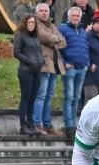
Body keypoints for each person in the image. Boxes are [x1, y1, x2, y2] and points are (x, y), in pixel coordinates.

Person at [33, 2, 66, 136]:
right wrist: (55, 39)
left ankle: (47, 124)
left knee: (49, 97)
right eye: (41, 11)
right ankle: (37, 123)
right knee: (40, 96)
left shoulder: (52, 25)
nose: (44, 13)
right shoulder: (35, 25)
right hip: (43, 65)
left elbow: (64, 42)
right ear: (37, 13)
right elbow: (44, 37)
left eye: (46, 11)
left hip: (54, 65)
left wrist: (54, 39)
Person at [59, 6, 89, 140]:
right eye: (73, 16)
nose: (76, 18)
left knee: (76, 97)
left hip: (82, 68)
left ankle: (74, 123)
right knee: (69, 96)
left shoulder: (82, 31)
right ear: (68, 16)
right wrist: (64, 63)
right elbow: (58, 49)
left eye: (78, 16)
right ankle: (69, 124)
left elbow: (86, 48)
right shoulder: (63, 29)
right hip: (70, 68)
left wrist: (87, 63)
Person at [14, 15, 44, 136]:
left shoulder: (36, 37)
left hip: (37, 70)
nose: (31, 24)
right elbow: (17, 52)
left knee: (33, 98)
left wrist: (41, 61)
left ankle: (31, 124)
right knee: (25, 97)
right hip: (26, 70)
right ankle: (23, 125)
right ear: (25, 23)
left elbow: (39, 51)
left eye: (33, 22)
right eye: (29, 22)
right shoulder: (20, 35)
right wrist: (29, 61)